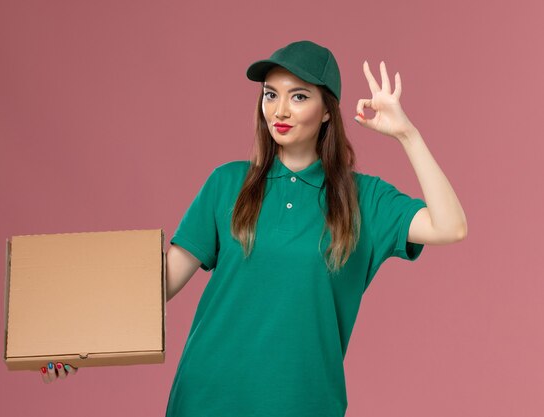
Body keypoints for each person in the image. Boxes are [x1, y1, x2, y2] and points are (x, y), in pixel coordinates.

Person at [41, 40, 467, 417]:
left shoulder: (363, 199)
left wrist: (407, 134)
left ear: (326, 112)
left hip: (305, 404)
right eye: (270, 95)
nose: (279, 110)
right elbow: (160, 285)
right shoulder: (227, 184)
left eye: (298, 96)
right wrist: (75, 341)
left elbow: (450, 227)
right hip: (206, 399)